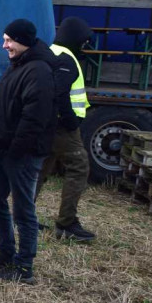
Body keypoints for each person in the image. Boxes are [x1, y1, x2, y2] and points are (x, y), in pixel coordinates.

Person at [0, 19, 56, 283]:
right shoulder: (19, 65)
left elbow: (35, 118)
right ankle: (6, 251)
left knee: (23, 209)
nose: (4, 45)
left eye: (9, 40)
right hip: (4, 149)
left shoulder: (39, 71)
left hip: (22, 153)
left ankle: (24, 266)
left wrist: (17, 150)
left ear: (23, 41)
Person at [35, 16, 95, 242]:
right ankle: (67, 223)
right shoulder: (66, 59)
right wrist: (69, 120)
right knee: (79, 167)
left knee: (42, 167)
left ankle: (22, 215)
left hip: (50, 125)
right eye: (83, 42)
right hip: (64, 129)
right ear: (75, 39)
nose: (84, 46)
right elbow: (58, 93)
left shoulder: (52, 53)